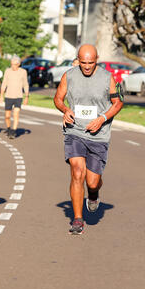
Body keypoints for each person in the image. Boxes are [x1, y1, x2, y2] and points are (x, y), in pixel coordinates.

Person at [53, 44, 124, 235]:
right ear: (78, 59)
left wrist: (102, 119)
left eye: (90, 63)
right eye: (83, 62)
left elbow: (118, 103)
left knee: (92, 182)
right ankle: (77, 219)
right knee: (77, 173)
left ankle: (93, 194)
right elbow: (58, 98)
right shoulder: (69, 75)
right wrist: (65, 110)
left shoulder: (108, 78)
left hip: (98, 135)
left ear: (97, 59)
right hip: (74, 131)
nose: (86, 66)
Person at [0, 56, 29, 139]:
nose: (13, 66)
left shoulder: (23, 72)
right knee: (7, 116)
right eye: (12, 64)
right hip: (8, 96)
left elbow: (25, 84)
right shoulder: (7, 71)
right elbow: (4, 83)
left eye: (15, 64)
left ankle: (13, 131)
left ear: (19, 64)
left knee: (16, 114)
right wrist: (1, 96)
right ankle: (9, 128)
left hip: (18, 96)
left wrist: (26, 96)